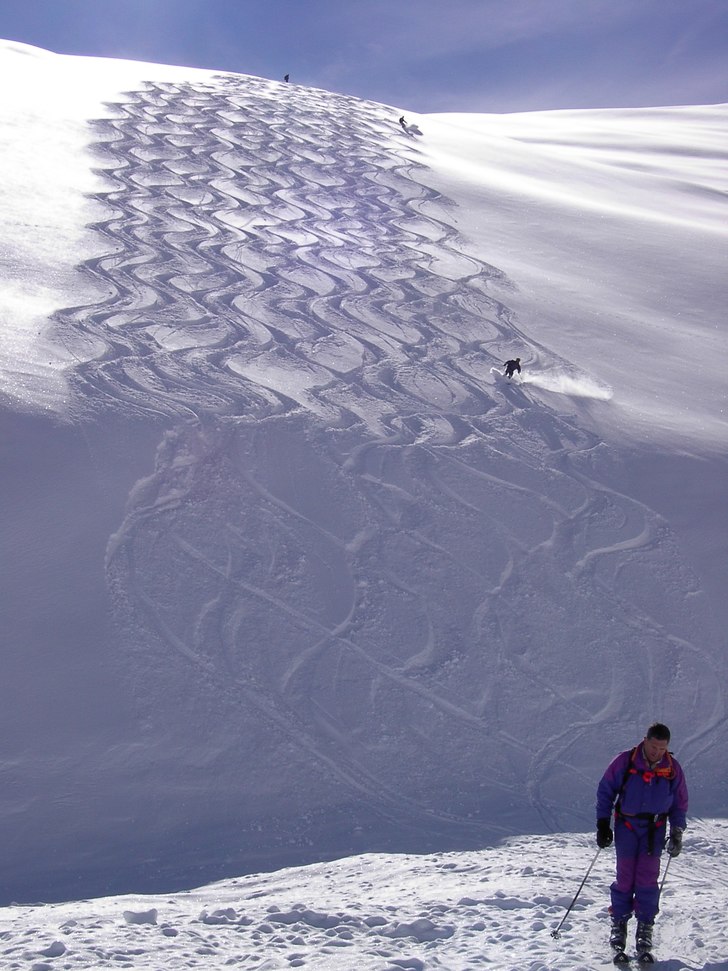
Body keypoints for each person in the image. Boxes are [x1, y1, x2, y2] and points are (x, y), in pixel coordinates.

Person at [596, 723, 688, 957]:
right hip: (627, 825)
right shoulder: (625, 761)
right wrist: (603, 823)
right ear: (645, 740)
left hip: (654, 828)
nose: (658, 752)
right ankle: (619, 922)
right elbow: (606, 790)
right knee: (625, 877)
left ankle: (645, 925)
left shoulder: (672, 768)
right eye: (654, 746)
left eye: (663, 748)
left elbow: (679, 802)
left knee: (647, 878)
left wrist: (677, 831)